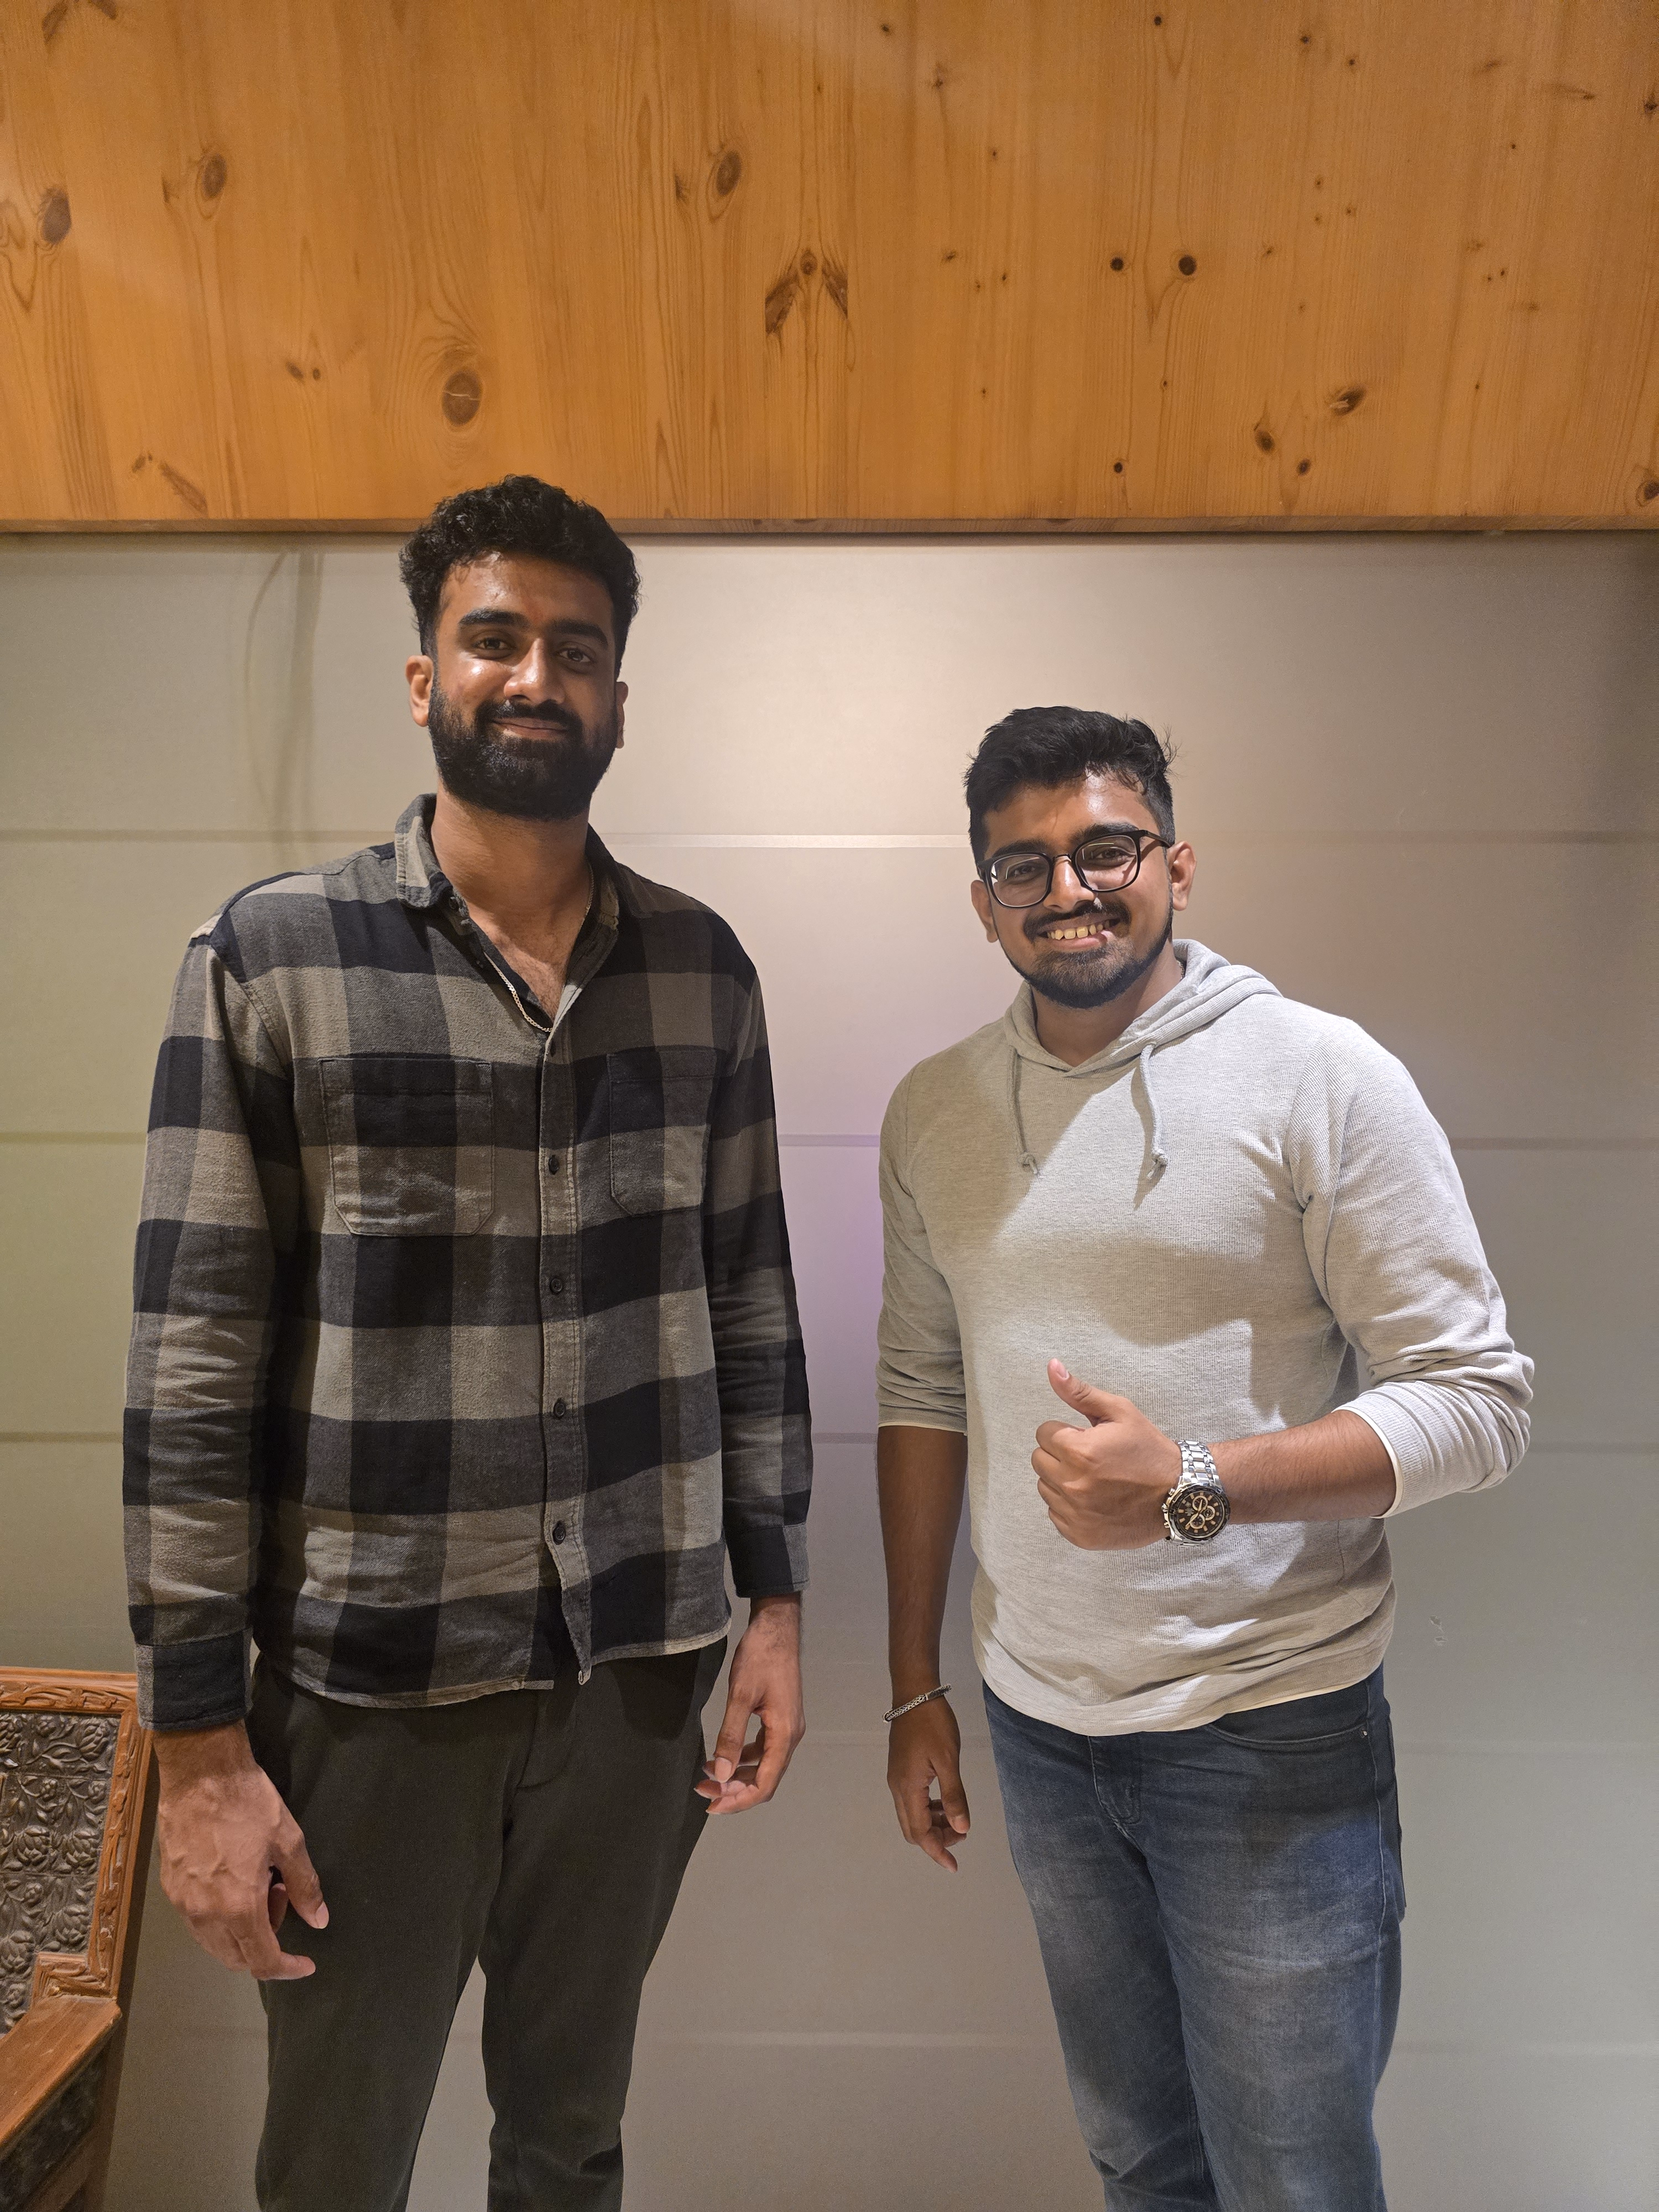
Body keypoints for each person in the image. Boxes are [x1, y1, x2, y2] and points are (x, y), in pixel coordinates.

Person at [124, 476, 812, 2212]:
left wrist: (776, 1593)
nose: (535, 677)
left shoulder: (702, 974)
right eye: (493, 638)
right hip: (372, 1692)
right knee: (337, 2163)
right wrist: (201, 1746)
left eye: (576, 651)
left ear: (619, 702)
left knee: (569, 2143)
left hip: (641, 1677)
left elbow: (747, 1294)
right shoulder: (272, 957)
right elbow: (194, 1363)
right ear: (423, 676)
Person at [875, 707, 1531, 2210]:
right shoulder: (933, 1111)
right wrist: (917, 1686)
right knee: (1143, 2164)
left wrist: (1199, 1479)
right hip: (1040, 1731)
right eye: (1023, 863)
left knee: (1292, 2182)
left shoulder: (1321, 1077)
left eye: (1106, 848)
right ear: (982, 900)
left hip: (1268, 1734)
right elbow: (920, 1390)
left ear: (1175, 862)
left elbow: (1477, 1402)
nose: (1070, 889)